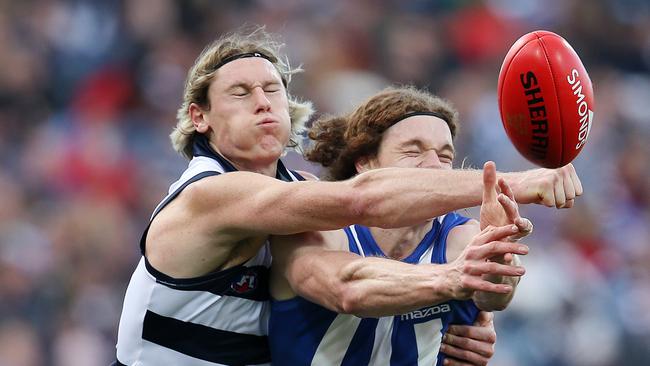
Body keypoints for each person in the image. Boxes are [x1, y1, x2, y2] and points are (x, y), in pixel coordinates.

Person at [114, 28, 582, 366]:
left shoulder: (298, 197)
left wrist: (470, 310)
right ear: (199, 117)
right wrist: (515, 183)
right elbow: (361, 215)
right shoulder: (209, 193)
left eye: (273, 90)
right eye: (240, 92)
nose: (262, 101)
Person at [268, 87, 535, 365]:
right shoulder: (317, 226)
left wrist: (497, 250)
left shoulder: (461, 236)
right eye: (413, 150)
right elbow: (348, 289)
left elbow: (495, 298)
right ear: (365, 163)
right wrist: (450, 278)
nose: (435, 167)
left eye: (445, 156)